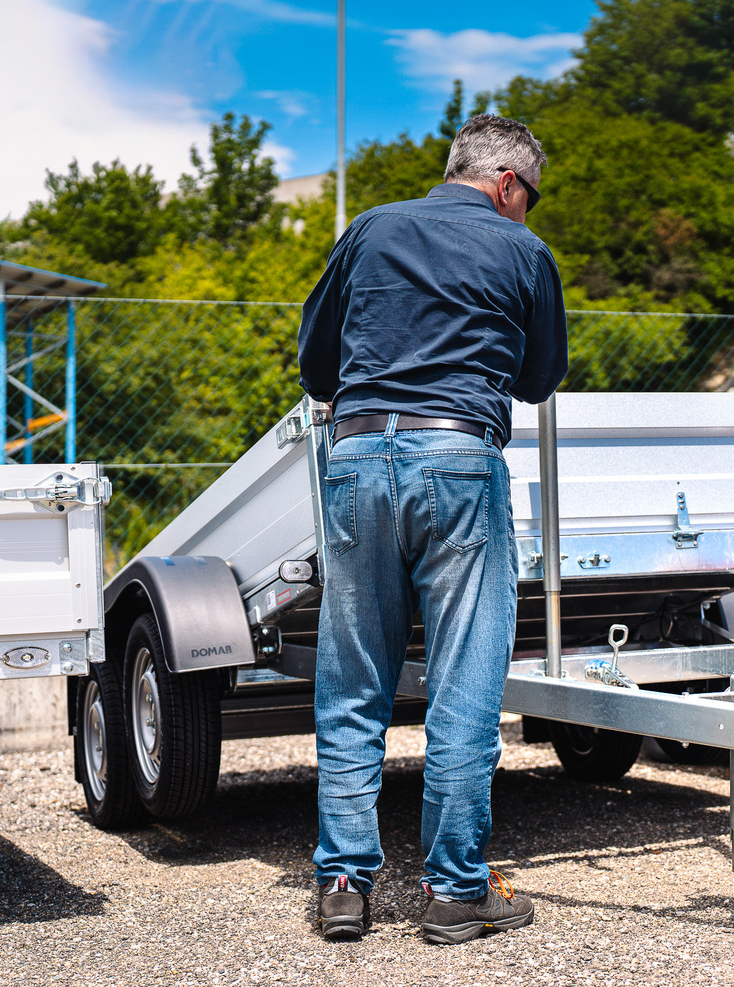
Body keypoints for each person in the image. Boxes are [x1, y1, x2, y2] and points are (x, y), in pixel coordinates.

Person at [297, 114, 568, 942]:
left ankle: (343, 881)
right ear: (508, 185)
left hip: (353, 458)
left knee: (352, 679)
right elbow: (540, 379)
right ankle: (455, 890)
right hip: (456, 459)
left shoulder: (369, 228)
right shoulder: (523, 250)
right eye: (531, 197)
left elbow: (316, 363)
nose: (526, 212)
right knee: (464, 681)